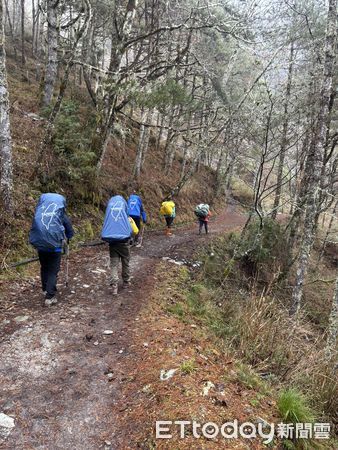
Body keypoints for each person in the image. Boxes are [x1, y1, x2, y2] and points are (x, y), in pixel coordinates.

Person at [29, 193, 74, 306]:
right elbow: (69, 229)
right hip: (55, 247)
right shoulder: (59, 212)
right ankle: (50, 296)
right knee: (53, 270)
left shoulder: (40, 211)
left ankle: (45, 289)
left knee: (44, 267)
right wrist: (69, 236)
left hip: (41, 246)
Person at [101, 195, 139, 295]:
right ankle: (126, 282)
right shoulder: (127, 218)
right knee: (125, 263)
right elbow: (135, 231)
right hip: (124, 244)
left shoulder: (109, 218)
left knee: (114, 265)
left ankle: (114, 286)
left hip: (112, 245)